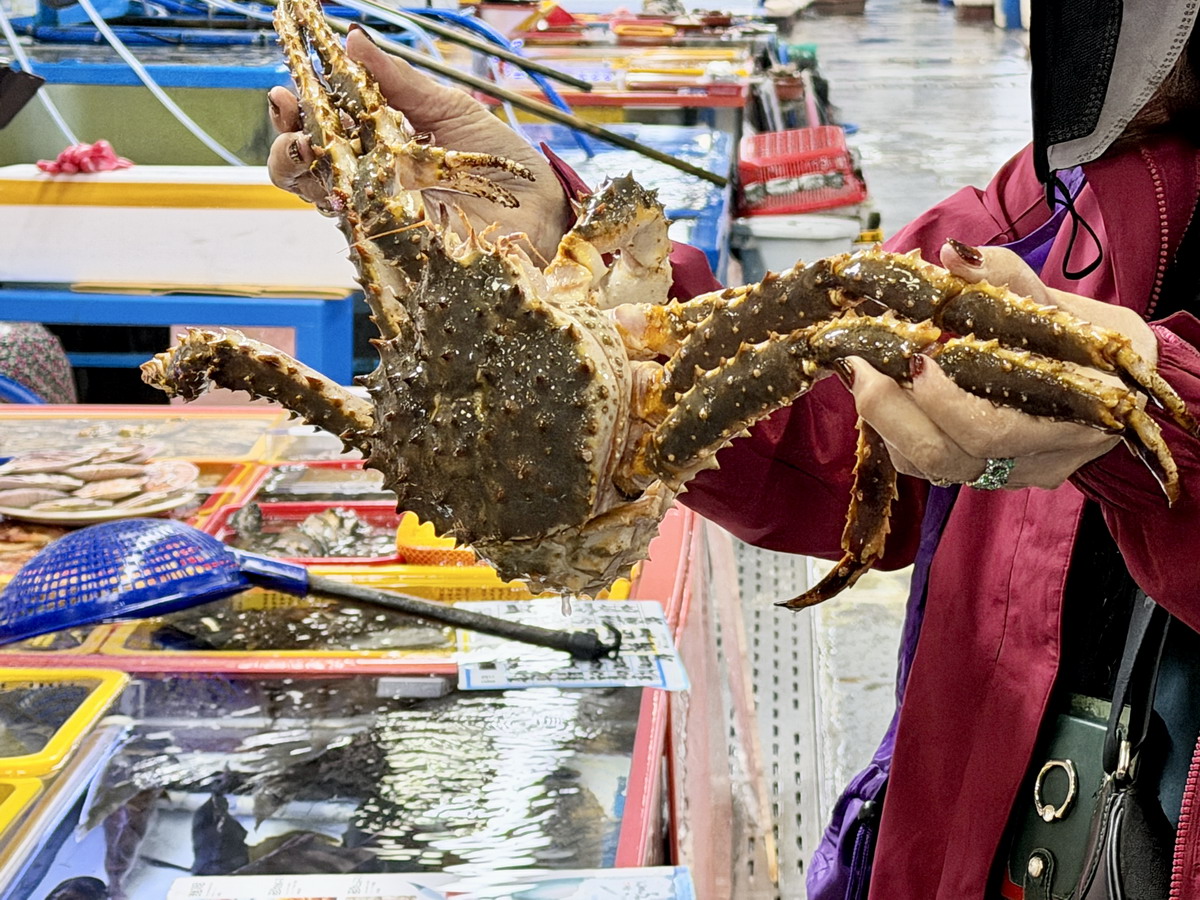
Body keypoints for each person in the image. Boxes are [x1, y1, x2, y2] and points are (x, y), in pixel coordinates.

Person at [266, 9, 1200, 897]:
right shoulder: (1084, 184)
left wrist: (1167, 423)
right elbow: (847, 400)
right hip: (983, 831)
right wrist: (550, 253)